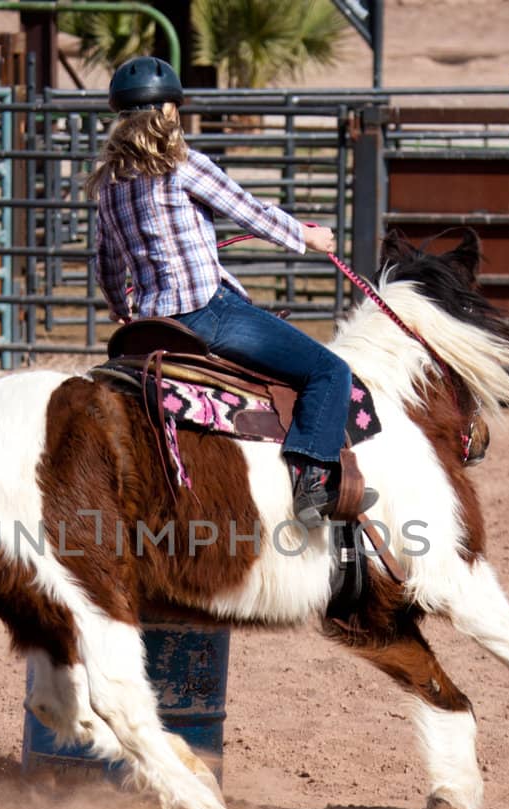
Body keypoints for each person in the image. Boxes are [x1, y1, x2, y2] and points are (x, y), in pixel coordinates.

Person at [88, 56, 376, 528]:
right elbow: (248, 210)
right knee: (329, 371)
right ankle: (311, 482)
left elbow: (106, 264)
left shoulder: (109, 186)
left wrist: (125, 315)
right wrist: (307, 237)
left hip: (153, 325)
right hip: (208, 314)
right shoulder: (182, 166)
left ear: (120, 120)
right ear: (169, 113)